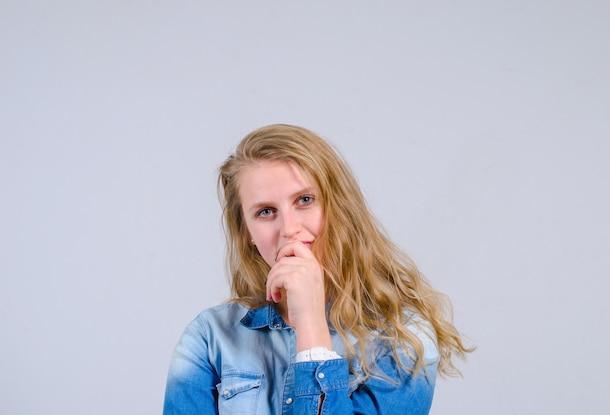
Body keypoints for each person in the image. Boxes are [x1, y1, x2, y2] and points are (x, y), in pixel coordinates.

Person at [163, 124, 472, 414]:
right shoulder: (209, 338)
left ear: (338, 207)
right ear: (247, 233)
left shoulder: (404, 338)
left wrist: (311, 327)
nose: (289, 229)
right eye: (266, 211)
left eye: (305, 200)